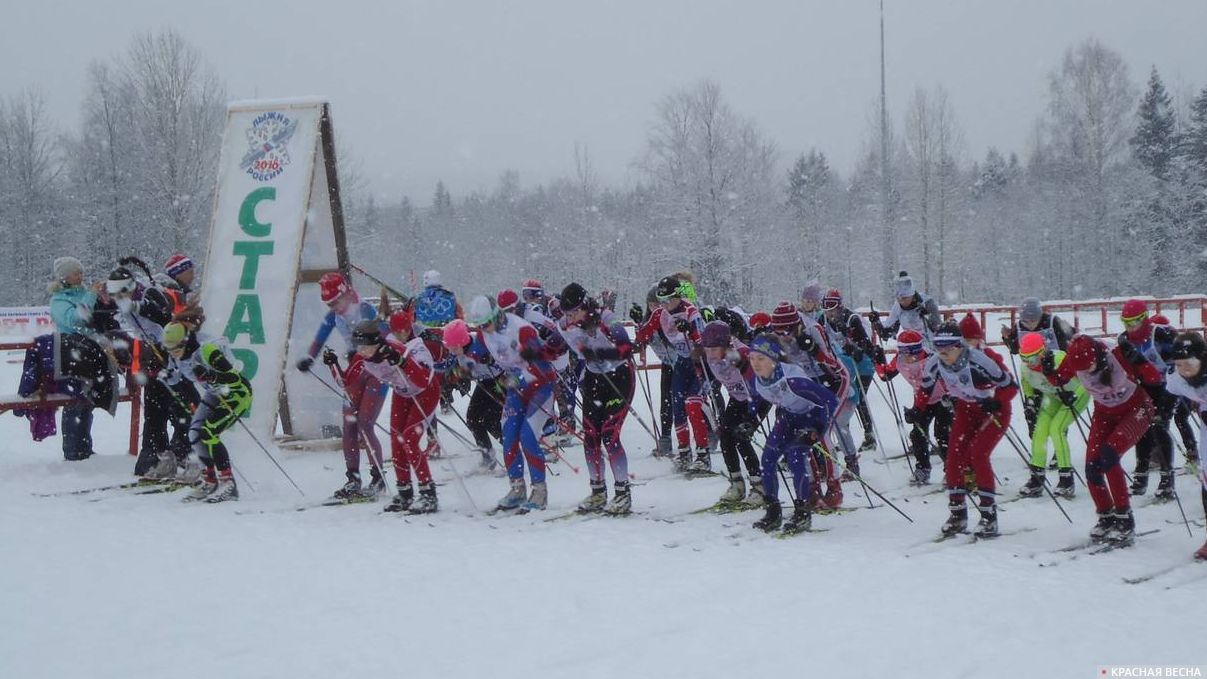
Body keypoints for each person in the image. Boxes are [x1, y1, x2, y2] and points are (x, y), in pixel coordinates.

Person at [1041, 333, 1162, 544]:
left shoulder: (1116, 354)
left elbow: (1154, 378)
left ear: (1097, 355)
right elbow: (1059, 379)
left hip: (1137, 409)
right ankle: (1106, 516)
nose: (1085, 372)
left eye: (1088, 366)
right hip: (1105, 413)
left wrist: (1139, 360)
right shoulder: (1077, 360)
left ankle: (1125, 517)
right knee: (1092, 467)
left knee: (1109, 456)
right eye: (1081, 369)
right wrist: (1048, 369)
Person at [916, 321, 1017, 538]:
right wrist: (917, 410)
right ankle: (957, 514)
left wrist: (997, 401)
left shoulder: (980, 361)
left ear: (960, 346)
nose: (943, 355)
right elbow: (925, 389)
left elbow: (1010, 386)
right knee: (954, 457)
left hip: (993, 412)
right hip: (966, 410)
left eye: (948, 350)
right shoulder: (935, 363)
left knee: (978, 454)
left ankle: (989, 516)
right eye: (938, 349)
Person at [296, 272, 388, 499]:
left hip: (377, 371)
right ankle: (353, 479)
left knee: (365, 423)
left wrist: (363, 346)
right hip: (355, 371)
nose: (334, 307)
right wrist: (310, 357)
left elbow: (384, 333)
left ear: (346, 293)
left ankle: (378, 478)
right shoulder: (333, 316)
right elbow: (319, 338)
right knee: (349, 425)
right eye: (329, 304)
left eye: (336, 302)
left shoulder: (364, 309)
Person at [103, 265, 196, 481]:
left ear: (131, 286)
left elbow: (166, 318)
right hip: (151, 363)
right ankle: (160, 459)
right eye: (114, 294)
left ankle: (191, 458)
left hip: (172, 359)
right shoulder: (120, 301)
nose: (119, 297)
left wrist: (139, 307)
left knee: (182, 412)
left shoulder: (150, 293)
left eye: (122, 292)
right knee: (154, 414)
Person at [469, 295, 560, 512]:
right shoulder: (484, 335)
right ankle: (517, 489)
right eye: (480, 326)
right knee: (508, 435)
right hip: (516, 388)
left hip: (541, 385)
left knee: (528, 436)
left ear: (497, 315)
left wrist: (516, 378)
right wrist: (463, 365)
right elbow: (474, 354)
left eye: (487, 323)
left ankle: (539, 491)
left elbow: (540, 364)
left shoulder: (521, 330)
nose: (484, 329)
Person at [746, 334, 838, 534]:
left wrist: (817, 430)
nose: (755, 364)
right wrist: (748, 422)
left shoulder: (794, 380)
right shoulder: (757, 381)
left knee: (796, 459)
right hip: (789, 416)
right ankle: (773, 511)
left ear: (773, 359)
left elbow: (830, 400)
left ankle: (802, 512)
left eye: (761, 359)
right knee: (768, 459)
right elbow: (757, 401)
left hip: (812, 417)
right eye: (752, 358)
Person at [558, 283, 636, 515]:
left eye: (573, 312)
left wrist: (600, 353)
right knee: (591, 436)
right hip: (594, 379)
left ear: (584, 306)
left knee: (610, 436)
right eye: (567, 314)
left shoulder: (607, 318)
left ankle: (623, 493)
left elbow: (626, 349)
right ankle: (598, 491)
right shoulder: (567, 325)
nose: (570, 318)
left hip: (619, 377)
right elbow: (555, 346)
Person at [354, 314, 441, 514]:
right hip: (403, 392)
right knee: (396, 440)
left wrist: (401, 361)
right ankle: (404, 492)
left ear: (376, 343)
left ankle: (429, 494)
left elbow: (422, 380)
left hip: (425, 392)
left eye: (365, 347)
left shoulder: (399, 349)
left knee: (410, 440)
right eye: (358, 347)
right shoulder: (366, 358)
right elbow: (348, 377)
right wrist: (332, 363)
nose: (361, 352)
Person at [769, 301, 851, 507]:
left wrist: (814, 350)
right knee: (801, 436)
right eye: (778, 332)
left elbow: (832, 363)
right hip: (805, 385)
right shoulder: (776, 338)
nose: (784, 337)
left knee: (821, 433)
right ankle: (813, 487)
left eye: (787, 331)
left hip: (831, 380)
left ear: (796, 325)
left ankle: (834, 488)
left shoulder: (813, 329)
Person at [161, 321, 252, 503]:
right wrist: (166, 376)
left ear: (185, 342)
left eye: (175, 348)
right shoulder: (176, 356)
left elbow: (234, 378)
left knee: (208, 432)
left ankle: (229, 484)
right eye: (168, 349)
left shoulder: (207, 350)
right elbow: (176, 377)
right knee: (194, 433)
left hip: (237, 394)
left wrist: (212, 375)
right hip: (215, 392)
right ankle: (210, 480)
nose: (172, 354)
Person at [634, 275, 710, 473]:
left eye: (669, 300)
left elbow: (705, 345)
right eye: (662, 300)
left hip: (699, 364)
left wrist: (691, 332)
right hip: (682, 364)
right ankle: (684, 452)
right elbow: (644, 334)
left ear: (677, 296)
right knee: (677, 406)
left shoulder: (691, 312)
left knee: (692, 405)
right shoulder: (660, 313)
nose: (666, 304)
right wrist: (638, 326)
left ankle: (703, 453)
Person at [701, 320, 767, 508]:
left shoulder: (740, 354)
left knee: (741, 435)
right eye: (708, 349)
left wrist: (752, 418)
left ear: (726, 345)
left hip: (758, 398)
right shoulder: (708, 354)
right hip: (737, 397)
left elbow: (760, 384)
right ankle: (736, 483)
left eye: (714, 350)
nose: (711, 354)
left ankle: (759, 486)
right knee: (725, 434)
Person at [1118, 300, 1178, 500]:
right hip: (1143, 389)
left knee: (1160, 427)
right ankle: (1141, 474)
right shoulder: (1125, 339)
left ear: (1144, 318)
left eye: (1134, 322)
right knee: (1141, 428)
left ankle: (1167, 478)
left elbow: (1178, 361)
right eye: (1126, 322)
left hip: (1167, 387)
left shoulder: (1161, 334)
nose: (1130, 327)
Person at [1016, 332, 1088, 499]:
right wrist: (1031, 400)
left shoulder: (1059, 358)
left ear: (1043, 352)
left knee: (1057, 429)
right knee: (1039, 431)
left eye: (1033, 359)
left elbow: (1083, 377)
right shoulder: (1025, 368)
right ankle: (1037, 478)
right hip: (1053, 396)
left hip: (1076, 393)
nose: (1029, 363)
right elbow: (1027, 383)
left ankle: (1066, 479)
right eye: (1024, 358)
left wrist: (1074, 394)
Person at [879, 330, 951, 486]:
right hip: (922, 400)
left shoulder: (931, 360)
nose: (911, 358)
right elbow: (886, 375)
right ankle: (922, 469)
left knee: (942, 434)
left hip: (943, 399)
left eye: (915, 353)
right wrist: (876, 359)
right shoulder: (900, 360)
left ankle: (952, 471)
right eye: (905, 353)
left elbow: (936, 384)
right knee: (918, 434)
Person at [48, 256, 102, 461]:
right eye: (76, 273)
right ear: (65, 277)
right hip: (70, 354)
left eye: (80, 271)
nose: (81, 275)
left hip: (87, 353)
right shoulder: (59, 300)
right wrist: (91, 296)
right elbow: (74, 320)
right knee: (74, 401)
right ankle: (72, 450)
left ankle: (84, 447)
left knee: (87, 401)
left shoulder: (82, 294)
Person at [1000, 297, 1076, 437]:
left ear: (1040, 315)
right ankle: (1037, 443)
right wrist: (1008, 338)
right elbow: (1016, 349)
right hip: (1033, 374)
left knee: (1057, 415)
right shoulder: (1019, 327)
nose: (1029, 325)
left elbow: (1072, 337)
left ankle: (1058, 448)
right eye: (1025, 321)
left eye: (1033, 320)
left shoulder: (1053, 322)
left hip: (1055, 372)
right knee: (1033, 415)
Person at [1160, 331, 1207, 560]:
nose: (1184, 370)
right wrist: (1162, 415)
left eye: (1188, 364)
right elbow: (1169, 396)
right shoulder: (1176, 377)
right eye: (1179, 364)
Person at [821, 288, 882, 452]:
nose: (830, 314)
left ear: (839, 307)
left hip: (863, 364)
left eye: (832, 310)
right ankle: (843, 436)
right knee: (842, 399)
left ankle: (869, 436)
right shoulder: (823, 320)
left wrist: (856, 349)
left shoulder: (851, 319)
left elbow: (867, 346)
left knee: (860, 398)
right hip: (844, 365)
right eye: (827, 310)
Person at [442, 319, 505, 474]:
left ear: (463, 342)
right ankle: (487, 455)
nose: (452, 351)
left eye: (454, 348)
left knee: (491, 421)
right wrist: (453, 376)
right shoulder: (456, 351)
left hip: (501, 381)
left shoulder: (483, 342)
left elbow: (506, 358)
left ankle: (513, 452)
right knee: (472, 418)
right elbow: (449, 368)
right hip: (484, 382)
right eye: (449, 348)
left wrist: (491, 360)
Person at [630, 286, 673, 456]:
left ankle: (709, 433)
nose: (655, 309)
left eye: (658, 305)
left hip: (684, 364)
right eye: (651, 305)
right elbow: (640, 342)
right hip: (668, 364)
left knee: (686, 403)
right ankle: (665, 439)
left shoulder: (670, 320)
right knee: (666, 402)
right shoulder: (650, 322)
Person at [870, 271, 941, 346]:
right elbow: (886, 332)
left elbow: (938, 329)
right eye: (898, 298)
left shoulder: (927, 303)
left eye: (905, 298)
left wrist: (927, 316)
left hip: (930, 346)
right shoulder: (897, 307)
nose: (901, 301)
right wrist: (876, 322)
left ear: (912, 295)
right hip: (910, 348)